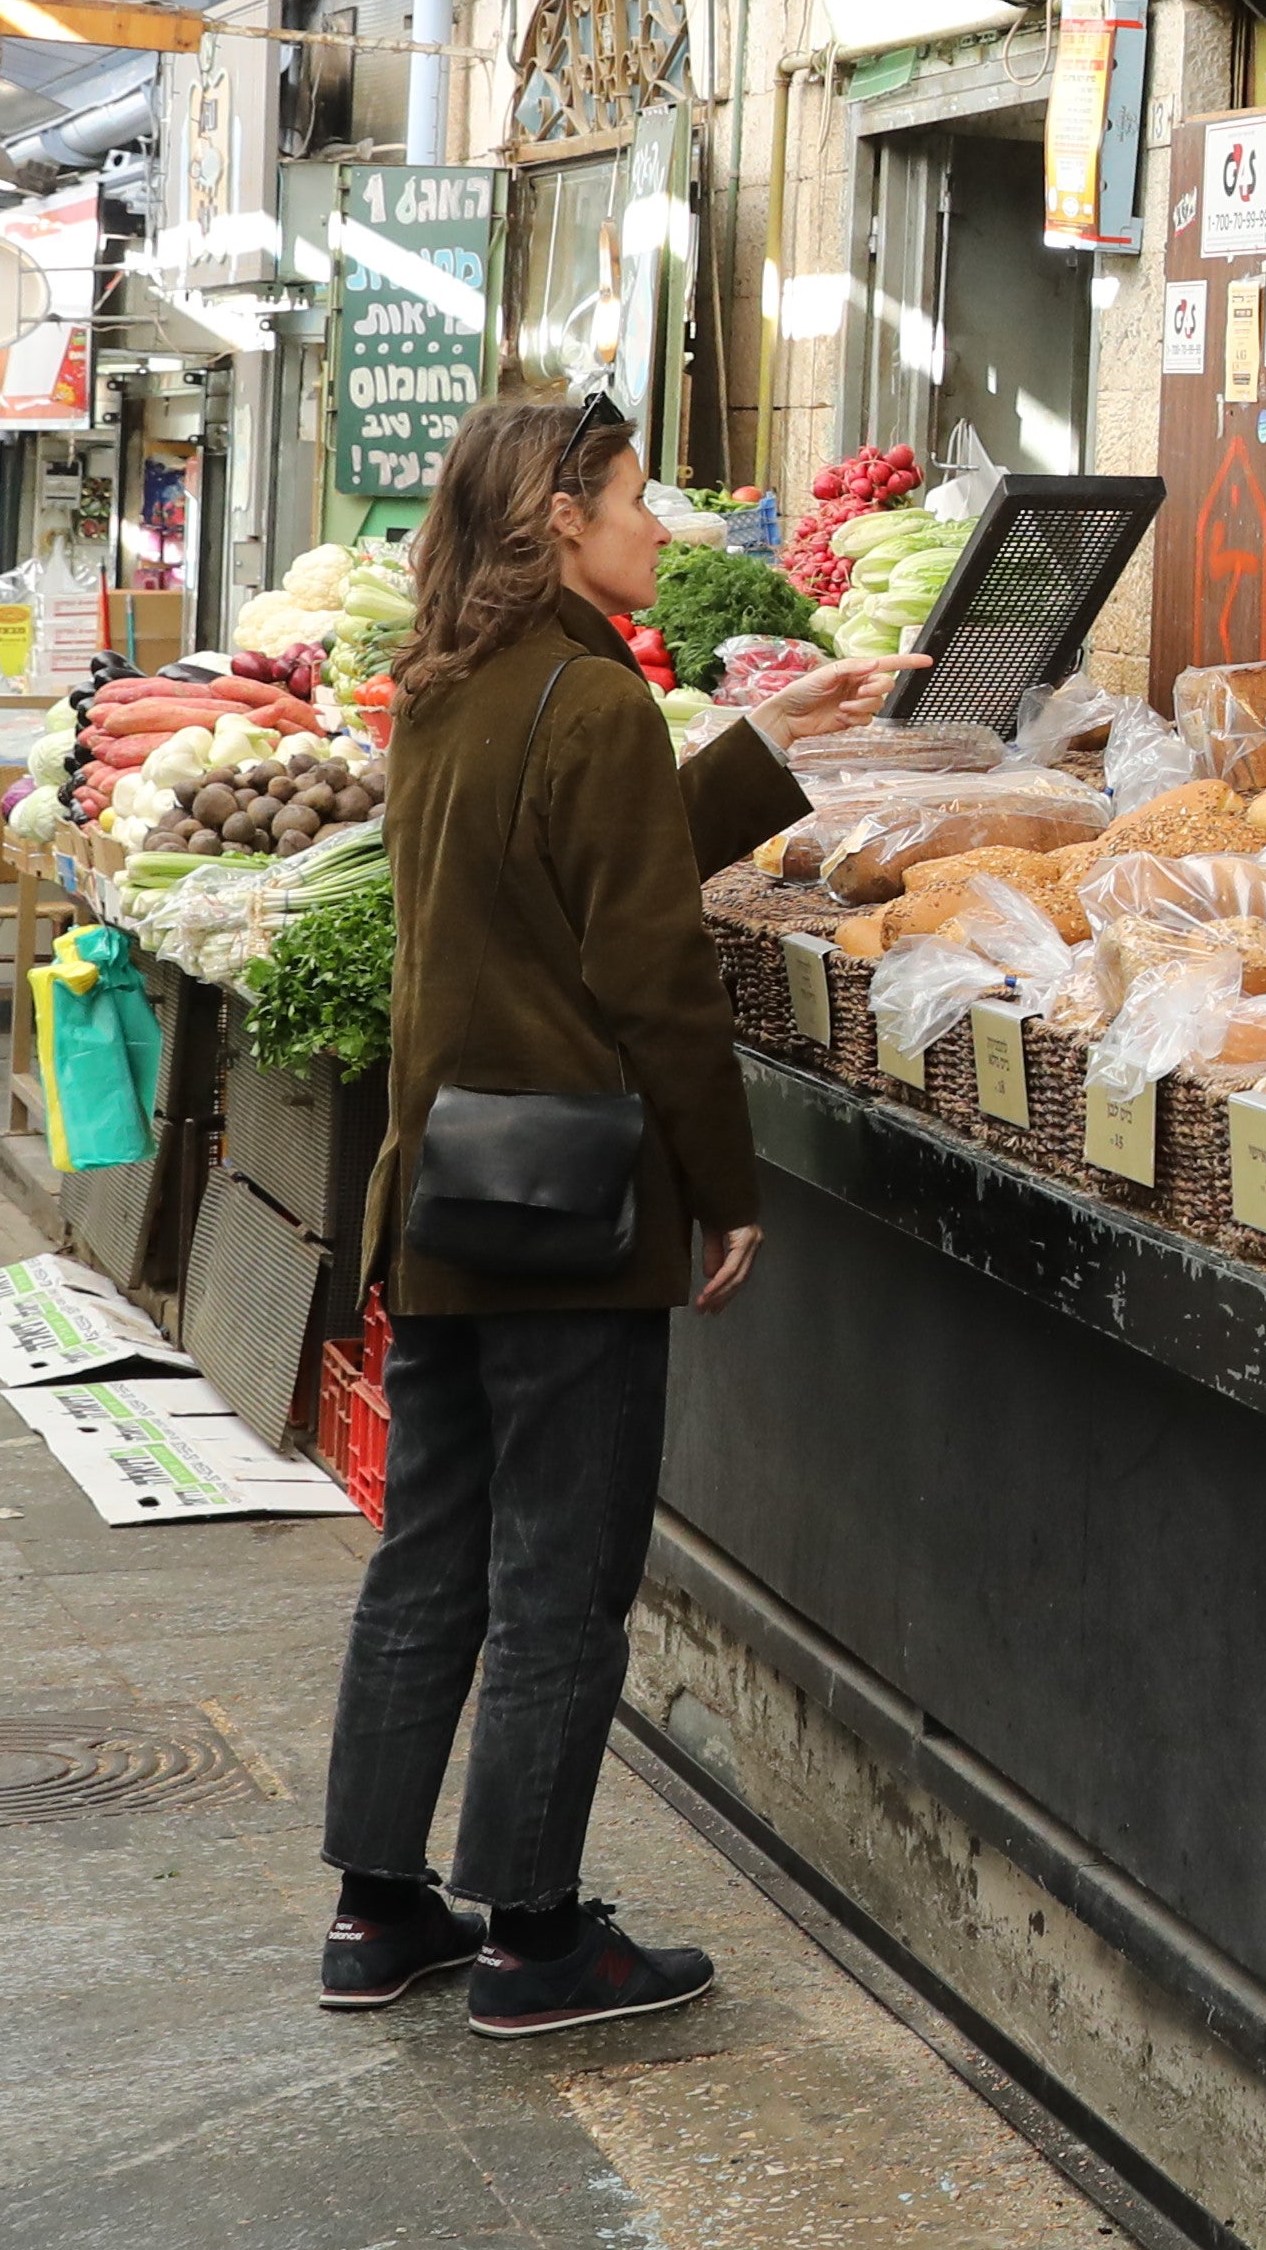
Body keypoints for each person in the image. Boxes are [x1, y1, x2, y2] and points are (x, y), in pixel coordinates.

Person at [321, 389, 920, 2035]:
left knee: (430, 1553)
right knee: (564, 1574)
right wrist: (721, 1191)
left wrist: (791, 738)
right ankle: (533, 1935)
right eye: (636, 498)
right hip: (570, 1207)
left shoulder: (447, 695)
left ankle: (379, 1910)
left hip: (443, 1190)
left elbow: (605, 850)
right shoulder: (583, 697)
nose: (663, 526)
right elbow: (652, 973)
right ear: (560, 519)